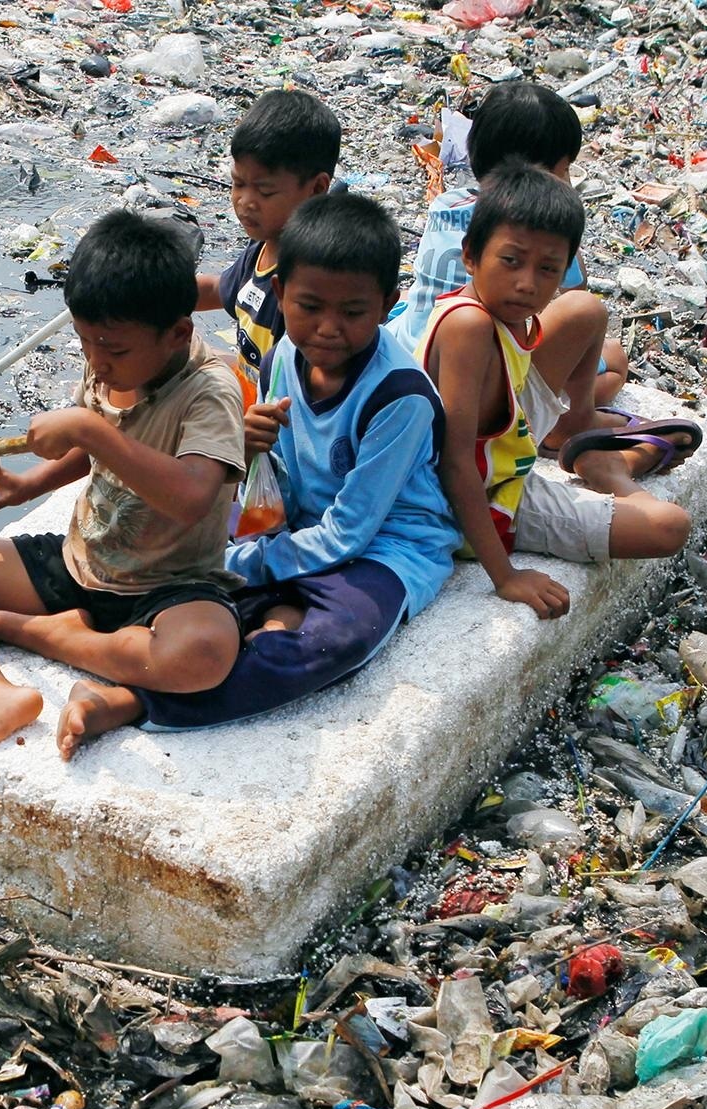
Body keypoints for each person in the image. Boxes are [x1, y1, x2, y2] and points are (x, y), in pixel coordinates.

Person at [35, 193, 460, 755]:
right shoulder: (286, 352)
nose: (328, 329)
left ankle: (135, 700)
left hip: (387, 550)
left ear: (388, 303)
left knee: (334, 644)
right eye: (310, 307)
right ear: (281, 295)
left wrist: (243, 560)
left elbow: (352, 532)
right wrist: (254, 443)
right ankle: (241, 623)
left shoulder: (399, 397)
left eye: (352, 313)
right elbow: (272, 478)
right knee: (213, 608)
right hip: (297, 531)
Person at [0, 209, 246, 756]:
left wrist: (87, 430)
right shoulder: (110, 360)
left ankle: (49, 635)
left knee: (205, 656)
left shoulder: (210, 392)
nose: (97, 363)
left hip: (167, 587)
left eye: (114, 350)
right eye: (86, 344)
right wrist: (30, 483)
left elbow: (193, 496)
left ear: (177, 333)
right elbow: (91, 453)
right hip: (81, 563)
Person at [413, 164, 701, 622]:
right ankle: (611, 471)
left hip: (507, 446)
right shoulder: (467, 325)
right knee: (669, 527)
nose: (527, 283)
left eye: (548, 269)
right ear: (470, 256)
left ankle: (576, 431)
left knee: (586, 310)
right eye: (511, 261)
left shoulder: (502, 313)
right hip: (481, 499)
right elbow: (454, 462)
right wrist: (505, 576)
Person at [396, 80, 629, 408]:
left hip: (415, 352)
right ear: (541, 176)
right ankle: (570, 422)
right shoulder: (539, 234)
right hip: (482, 380)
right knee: (612, 357)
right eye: (564, 171)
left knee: (410, 295)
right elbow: (576, 287)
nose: (568, 181)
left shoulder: (446, 205)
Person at [197, 89, 342, 381]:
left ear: (316, 189)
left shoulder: (309, 277)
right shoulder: (263, 247)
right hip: (255, 387)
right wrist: (149, 296)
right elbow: (220, 290)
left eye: (264, 191)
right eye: (238, 184)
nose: (245, 202)